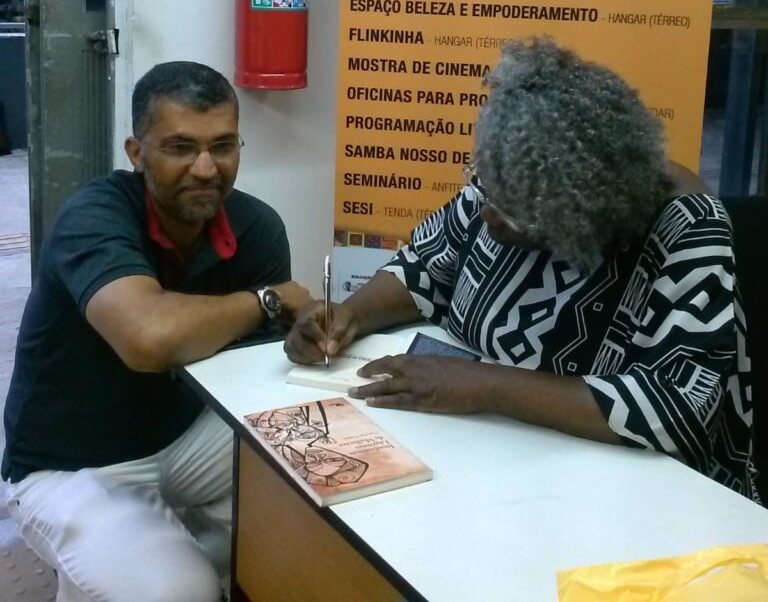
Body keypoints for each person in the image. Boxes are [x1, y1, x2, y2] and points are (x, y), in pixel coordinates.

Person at [286, 38, 759, 502]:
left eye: (510, 211)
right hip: (488, 458)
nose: (486, 213)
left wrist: (484, 385)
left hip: (627, 493)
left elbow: (677, 407)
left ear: (577, 212)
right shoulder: (510, 175)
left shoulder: (685, 227)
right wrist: (350, 314)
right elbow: (425, 267)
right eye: (483, 188)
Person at [3, 61, 310, 602]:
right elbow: (150, 341)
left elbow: (260, 371)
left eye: (223, 146)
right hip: (72, 466)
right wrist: (266, 301)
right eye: (179, 147)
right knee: (177, 592)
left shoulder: (257, 226)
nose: (205, 168)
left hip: (184, 439)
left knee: (321, 472)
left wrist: (310, 335)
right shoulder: (93, 216)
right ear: (136, 152)